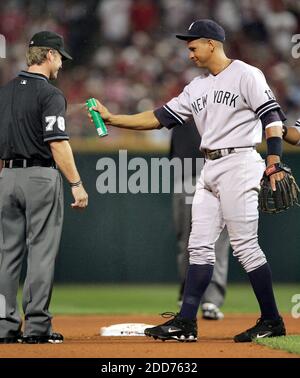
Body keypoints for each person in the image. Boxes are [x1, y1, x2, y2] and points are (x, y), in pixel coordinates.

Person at [87, 19, 287, 343]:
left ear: (211, 43)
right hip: (208, 166)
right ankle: (185, 322)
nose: (189, 52)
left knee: (245, 246)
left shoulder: (246, 74)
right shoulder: (197, 87)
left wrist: (275, 159)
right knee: (198, 246)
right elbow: (158, 117)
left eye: (193, 46)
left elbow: (272, 117)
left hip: (239, 161)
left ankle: (272, 319)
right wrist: (113, 119)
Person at [0, 31, 88, 344]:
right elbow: (58, 143)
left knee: (6, 255)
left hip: (6, 177)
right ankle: (36, 328)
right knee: (40, 252)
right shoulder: (49, 94)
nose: (62, 63)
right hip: (39, 177)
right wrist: (76, 183)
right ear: (49, 55)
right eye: (60, 57)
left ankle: (4, 326)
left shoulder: (5, 92)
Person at [171, 120, 230, 320]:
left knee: (218, 241)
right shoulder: (183, 106)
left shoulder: (223, 102)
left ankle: (209, 300)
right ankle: (189, 295)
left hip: (218, 172)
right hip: (189, 174)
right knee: (188, 241)